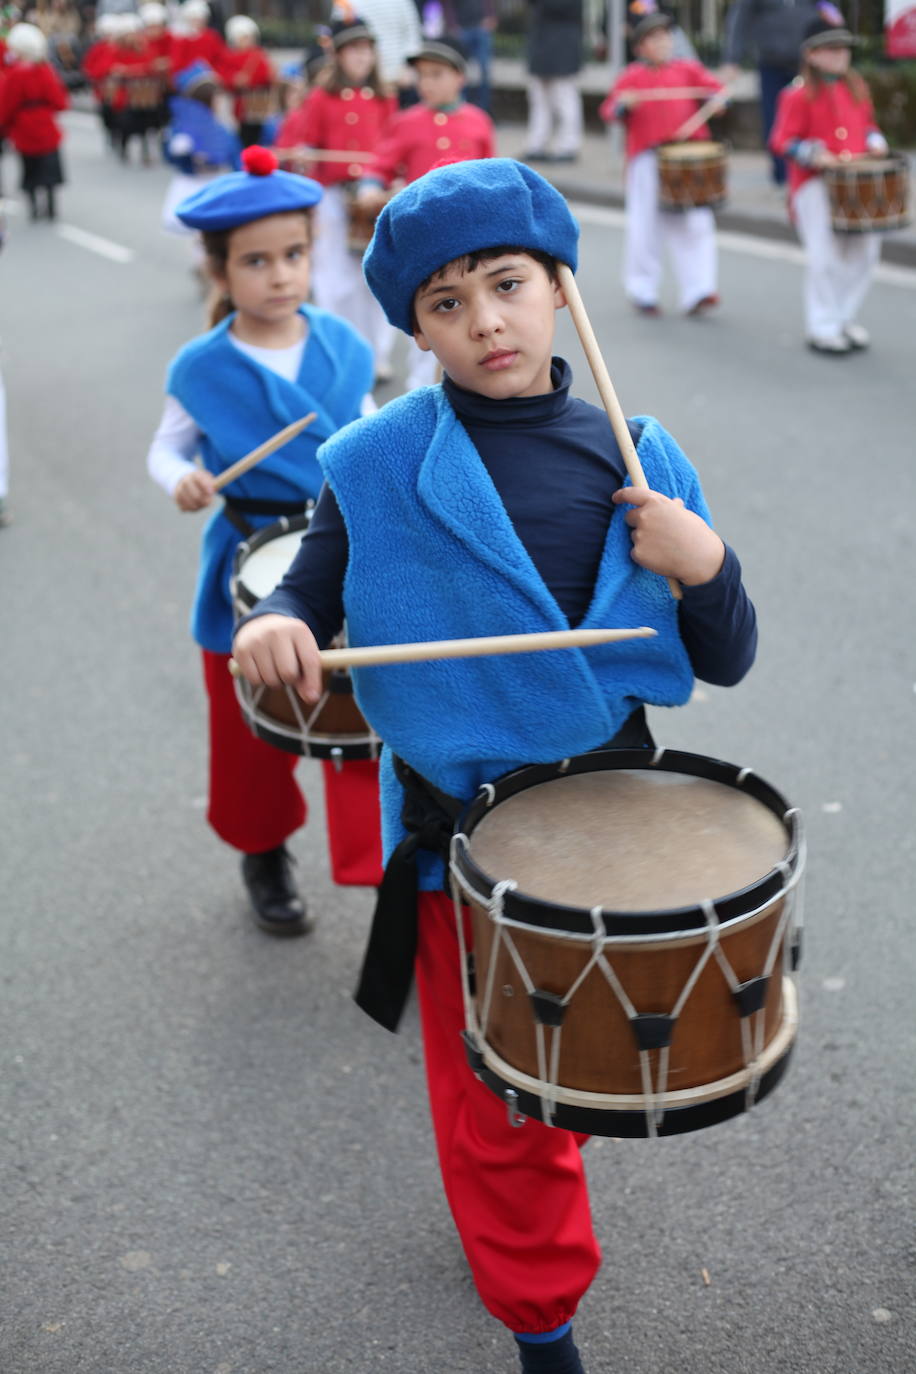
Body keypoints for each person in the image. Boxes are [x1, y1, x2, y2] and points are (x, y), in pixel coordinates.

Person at [231, 156, 758, 1373]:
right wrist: (277, 627)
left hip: (617, 821)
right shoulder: (371, 459)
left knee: (596, 1080)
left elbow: (725, 656)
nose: (483, 323)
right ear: (414, 326)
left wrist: (703, 560)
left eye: (507, 286)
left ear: (561, 287)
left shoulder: (638, 453)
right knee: (502, 1104)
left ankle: (524, 1234)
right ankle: (542, 1322)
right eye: (445, 304)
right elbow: (309, 591)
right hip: (467, 838)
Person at [147, 147, 379, 935]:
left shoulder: (345, 345)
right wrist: (179, 478)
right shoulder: (201, 364)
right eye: (256, 261)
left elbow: (369, 431)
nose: (280, 276)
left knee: (369, 711)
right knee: (246, 725)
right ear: (218, 270)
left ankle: (383, 864)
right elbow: (166, 447)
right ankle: (263, 850)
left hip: (337, 543)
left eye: (294, 255)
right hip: (244, 553)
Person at [356, 34, 494, 388]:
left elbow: (491, 175)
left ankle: (468, 386)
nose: (426, 83)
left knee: (471, 315)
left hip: (469, 237)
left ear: (458, 78)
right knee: (429, 316)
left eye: (436, 74)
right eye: (422, 75)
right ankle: (424, 394)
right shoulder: (406, 121)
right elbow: (380, 165)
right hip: (420, 237)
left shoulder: (478, 121)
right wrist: (370, 186)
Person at [275, 17, 397, 383]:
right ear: (340, 56)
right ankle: (342, 353)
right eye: (354, 50)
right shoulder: (320, 97)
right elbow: (307, 144)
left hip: (372, 196)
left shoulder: (385, 97)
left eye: (367, 50)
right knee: (334, 278)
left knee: (374, 279)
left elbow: (392, 146)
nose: (362, 57)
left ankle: (377, 355)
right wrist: (303, 153)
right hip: (331, 194)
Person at [769, 4, 888, 354]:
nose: (841, 55)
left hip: (856, 185)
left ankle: (844, 317)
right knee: (825, 257)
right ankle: (822, 326)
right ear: (812, 54)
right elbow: (780, 140)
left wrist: (874, 140)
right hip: (815, 186)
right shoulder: (796, 94)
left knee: (866, 252)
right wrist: (810, 152)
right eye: (832, 49)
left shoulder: (857, 88)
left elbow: (867, 126)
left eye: (844, 48)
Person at [599, 3, 727, 317]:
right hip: (648, 159)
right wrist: (622, 105)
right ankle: (642, 290)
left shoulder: (688, 69)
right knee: (645, 226)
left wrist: (718, 98)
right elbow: (609, 111)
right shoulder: (632, 76)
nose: (663, 43)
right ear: (641, 46)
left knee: (696, 225)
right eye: (654, 39)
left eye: (666, 37)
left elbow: (717, 94)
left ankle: (699, 290)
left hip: (687, 157)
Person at [722, 0, 818, 185]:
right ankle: (783, 176)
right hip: (771, 64)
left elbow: (826, 9)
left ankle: (808, 170)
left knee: (810, 118)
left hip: (806, 63)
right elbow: (740, 18)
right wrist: (732, 58)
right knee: (775, 119)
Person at [0, 22, 68, 220]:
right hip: (46, 125)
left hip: (24, 128)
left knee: (30, 170)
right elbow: (59, 101)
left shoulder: (13, 75)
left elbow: (6, 106)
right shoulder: (44, 70)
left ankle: (34, 208)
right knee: (50, 169)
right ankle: (51, 206)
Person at [524, 0, 584, 164]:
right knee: (539, 101)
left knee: (565, 100)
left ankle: (568, 146)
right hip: (541, 48)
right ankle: (537, 144)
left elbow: (561, 8)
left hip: (563, 49)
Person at [217, 14, 274, 148]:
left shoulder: (258, 55)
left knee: (256, 134)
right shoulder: (228, 56)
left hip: (257, 101)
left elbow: (265, 75)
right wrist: (234, 80)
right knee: (241, 136)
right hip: (239, 103)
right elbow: (223, 76)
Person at [442, 0, 496, 111]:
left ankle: (484, 109)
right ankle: (461, 107)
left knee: (484, 71)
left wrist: (491, 15)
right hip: (463, 29)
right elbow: (447, 4)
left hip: (480, 27)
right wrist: (452, 25)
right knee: (461, 70)